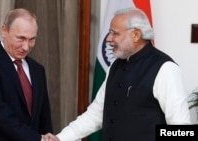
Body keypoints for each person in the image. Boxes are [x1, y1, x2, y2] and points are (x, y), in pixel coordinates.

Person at [43, 7, 191, 141]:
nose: (108, 39)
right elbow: (95, 114)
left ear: (136, 34)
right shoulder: (115, 65)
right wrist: (61, 138)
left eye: (114, 33)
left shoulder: (165, 68)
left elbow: (181, 128)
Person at [0, 8, 53, 141]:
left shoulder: (38, 70)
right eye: (21, 38)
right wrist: (37, 139)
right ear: (4, 31)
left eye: (32, 39)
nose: (26, 47)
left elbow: (44, 117)